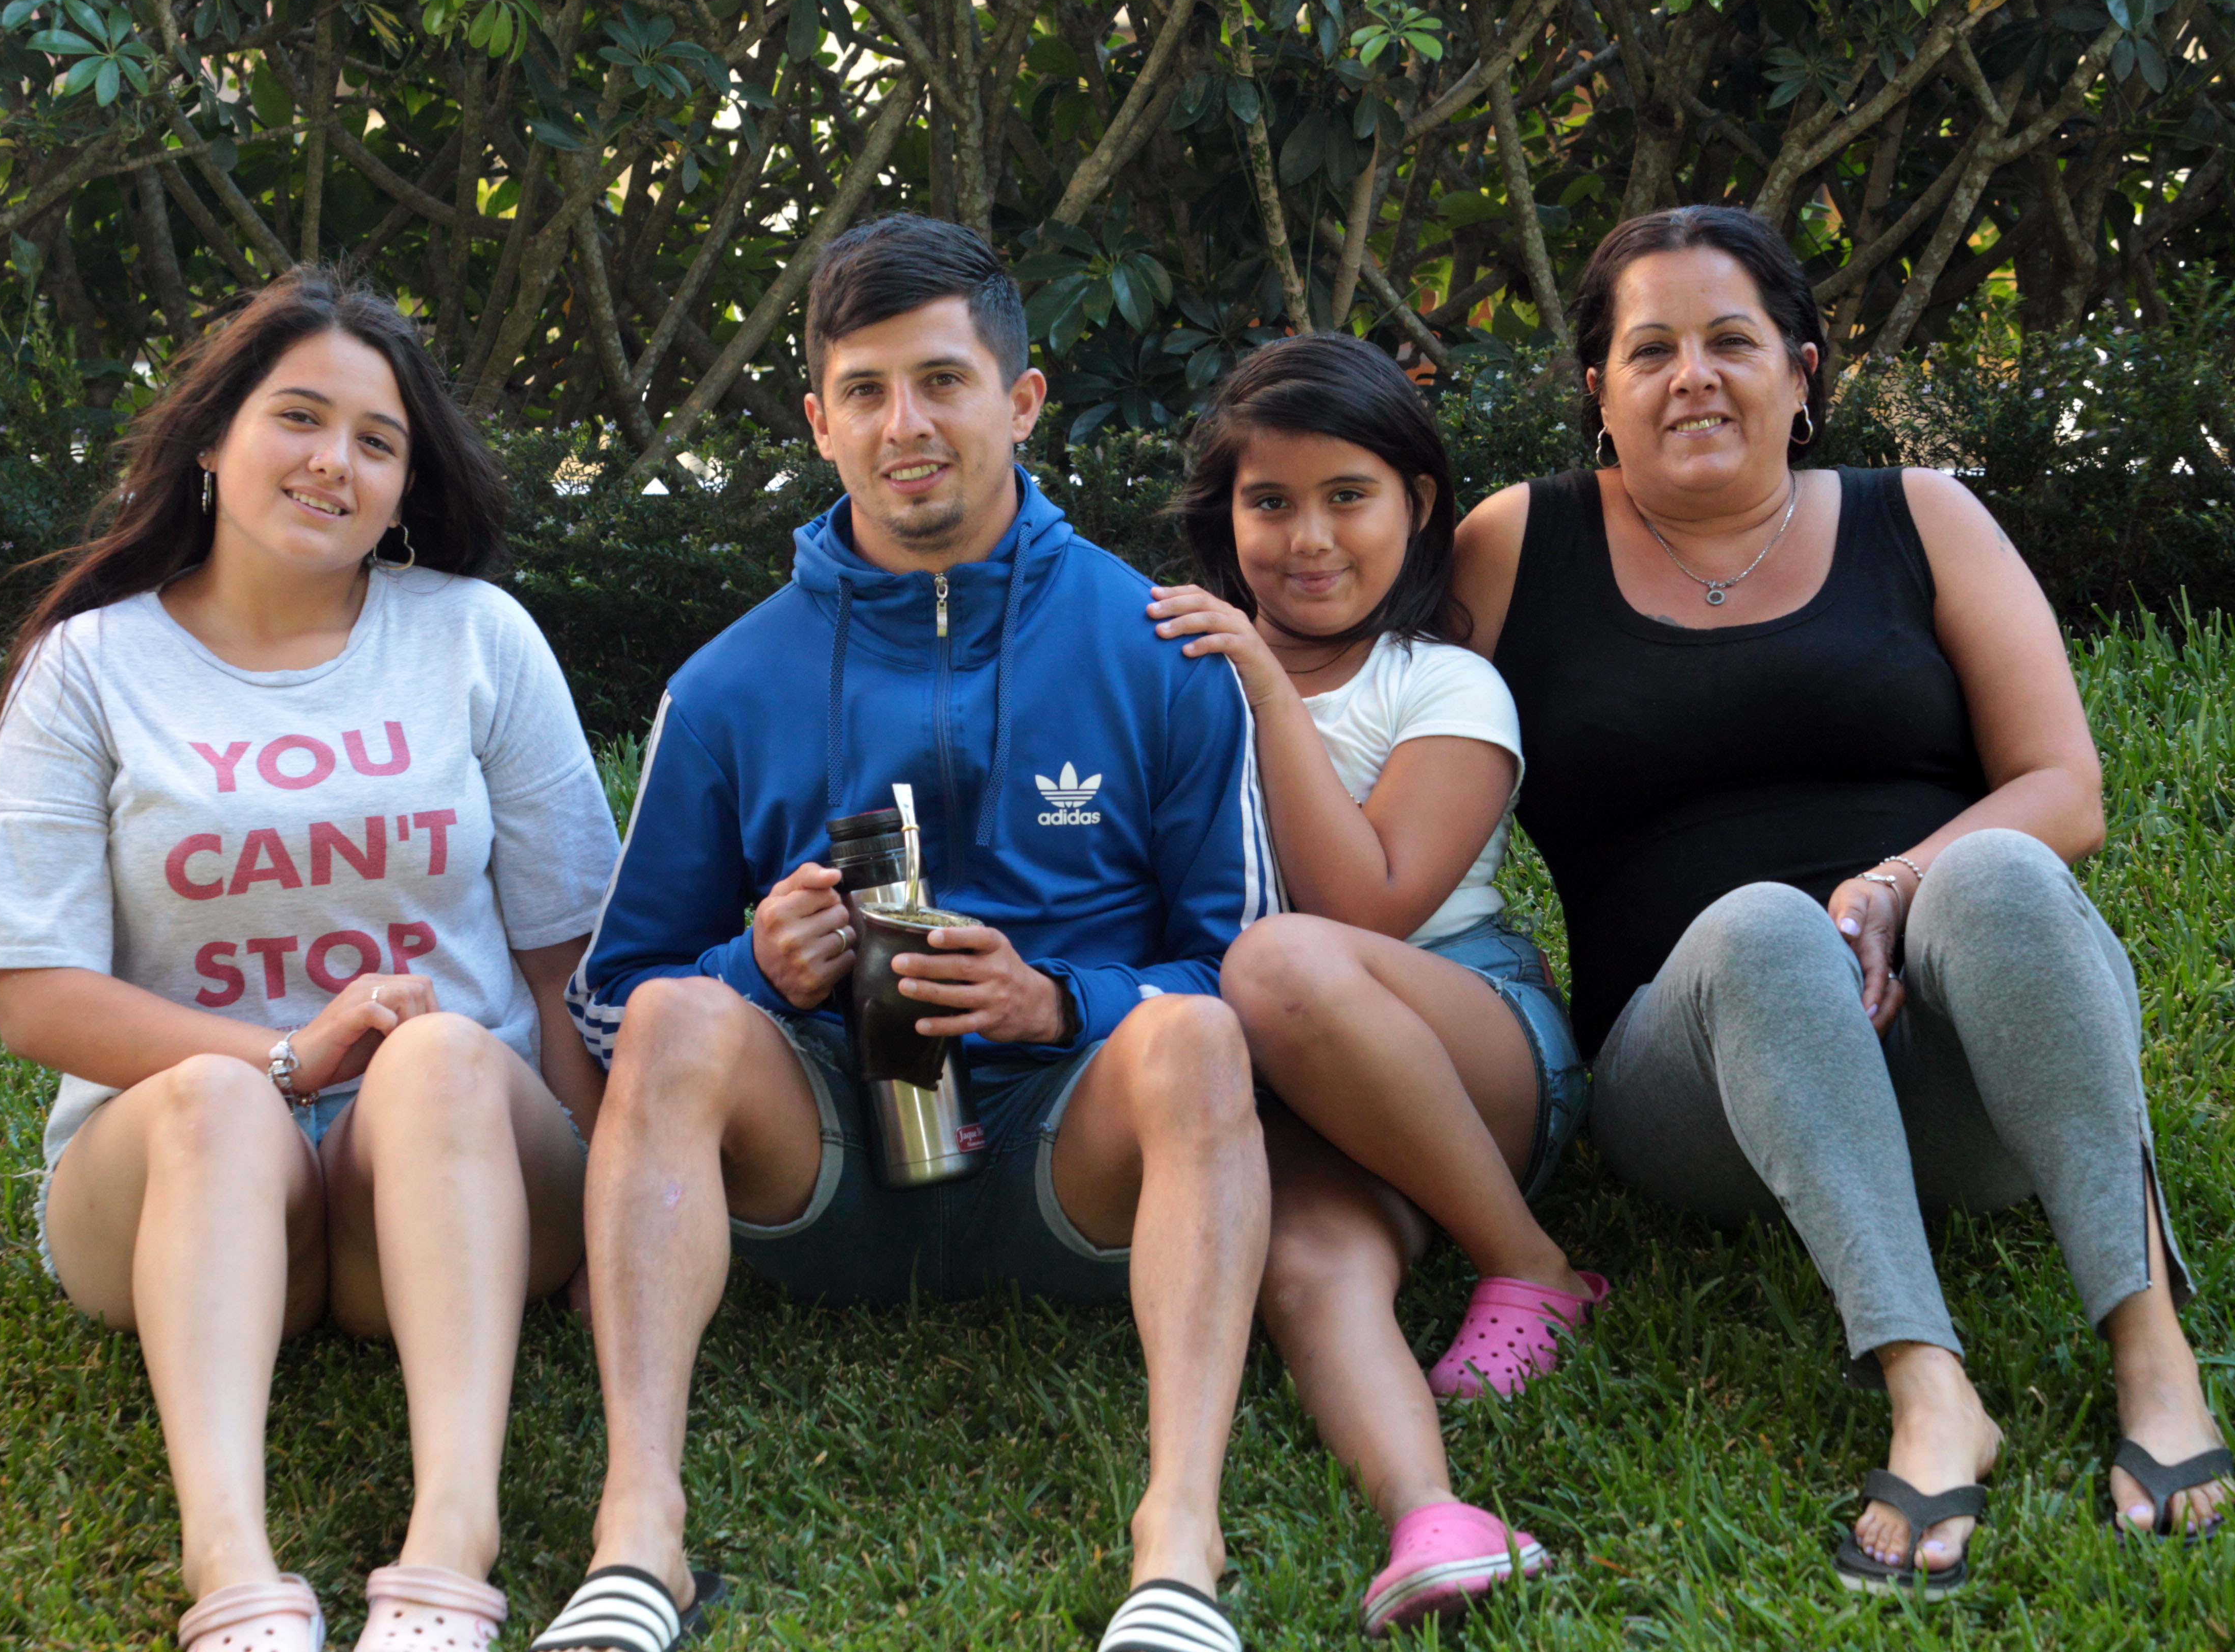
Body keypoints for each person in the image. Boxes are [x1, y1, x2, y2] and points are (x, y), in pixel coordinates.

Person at [1448, 205, 2229, 1597]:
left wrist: (1891, 882)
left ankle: (2154, 1357)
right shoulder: (1519, 546)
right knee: (1762, 921)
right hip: (1704, 1092)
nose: (1695, 375)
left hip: (1973, 1071)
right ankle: (1931, 1389)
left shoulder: (1921, 517)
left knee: (1992, 863)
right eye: (1653, 348)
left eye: (1733, 341)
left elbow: (2066, 785)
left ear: (1804, 373)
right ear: (1598, 393)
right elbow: (1383, 727)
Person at [532, 215, 1275, 1652]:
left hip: (1075, 1164)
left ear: (1021, 399)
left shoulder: (1159, 648)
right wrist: (760, 969)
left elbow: (1240, 971)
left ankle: (1178, 1542)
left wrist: (1061, 1003)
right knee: (691, 1015)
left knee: (1189, 1037)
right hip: (818, 1167)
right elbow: (615, 1003)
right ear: (818, 421)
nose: (906, 425)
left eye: (942, 380)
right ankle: (641, 1542)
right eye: (865, 391)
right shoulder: (729, 681)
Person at [0, 268, 621, 1652]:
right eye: (299, 418)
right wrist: (284, 1057)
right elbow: (36, 994)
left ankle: (454, 1543)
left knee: (439, 1052)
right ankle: (234, 1573)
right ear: (211, 437)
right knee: (217, 1101)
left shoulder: (476, 639)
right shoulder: (91, 667)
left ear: (403, 484)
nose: (336, 462)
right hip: (171, 1200)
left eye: (378, 443)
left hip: (440, 1189)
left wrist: (610, 1211)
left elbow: (569, 957)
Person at [1145, 334, 1596, 1635]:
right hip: (1302, 1086)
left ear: (1417, 505)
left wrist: (1265, 692)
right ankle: (1434, 1516)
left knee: (1281, 958)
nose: (1308, 538)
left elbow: (1366, 906)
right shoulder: (1178, 667)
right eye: (1268, 502)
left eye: (1349, 497)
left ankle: (1531, 1261)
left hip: (1474, 1038)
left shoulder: (1447, 684)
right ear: (1225, 518)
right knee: (1303, 1263)